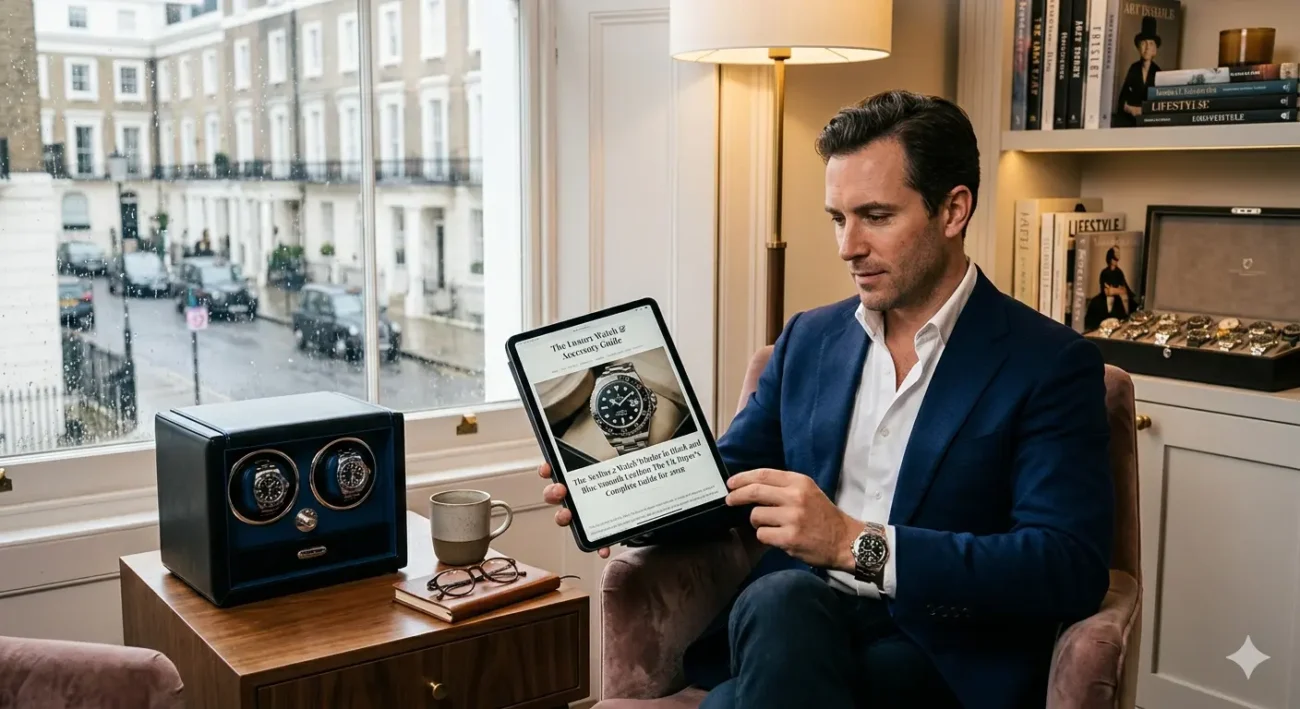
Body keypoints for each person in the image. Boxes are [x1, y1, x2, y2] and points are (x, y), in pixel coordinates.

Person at [539, 90, 1114, 709]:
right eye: (838, 218)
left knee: (740, 687)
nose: (848, 245)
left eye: (876, 215)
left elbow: (1066, 566)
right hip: (796, 627)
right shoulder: (810, 338)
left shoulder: (1048, 362)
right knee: (781, 600)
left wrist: (851, 542)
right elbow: (734, 479)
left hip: (942, 652)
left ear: (953, 210)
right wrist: (627, 495)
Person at [1114, 15, 1163, 127]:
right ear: (1138, 47)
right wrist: (1129, 108)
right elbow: (1122, 100)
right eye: (1143, 43)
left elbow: (1160, 104)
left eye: (1150, 44)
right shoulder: (1134, 68)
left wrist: (1144, 110)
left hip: (1149, 122)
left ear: (1155, 50)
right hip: (1131, 122)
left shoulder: (1158, 72)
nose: (1146, 48)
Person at [1085, 246, 1134, 331]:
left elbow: (1124, 289)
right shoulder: (1104, 272)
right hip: (1103, 301)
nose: (1118, 255)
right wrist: (1112, 290)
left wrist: (1113, 291)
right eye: (1116, 253)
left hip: (1116, 302)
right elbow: (1106, 291)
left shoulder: (1119, 272)